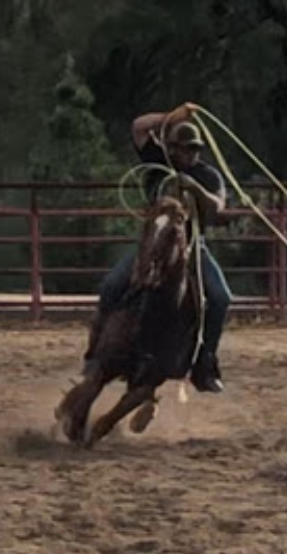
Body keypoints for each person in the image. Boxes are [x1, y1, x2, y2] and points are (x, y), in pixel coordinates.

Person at [82, 101, 232, 393]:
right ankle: (94, 353)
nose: (187, 154)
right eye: (182, 148)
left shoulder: (208, 176)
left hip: (191, 246)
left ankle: (204, 363)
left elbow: (217, 208)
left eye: (192, 149)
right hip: (152, 242)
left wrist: (193, 187)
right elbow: (139, 126)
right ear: (170, 146)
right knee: (112, 285)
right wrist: (171, 116)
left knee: (220, 297)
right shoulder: (157, 160)